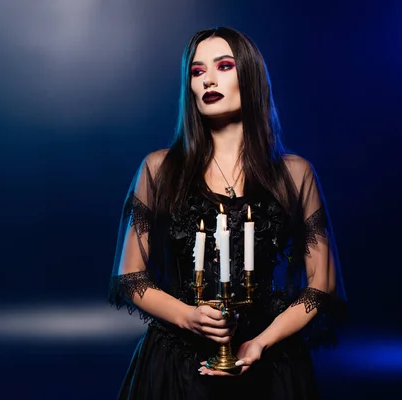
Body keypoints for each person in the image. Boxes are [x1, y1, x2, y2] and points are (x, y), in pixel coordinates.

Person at [108, 26, 347, 399]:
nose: (208, 80)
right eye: (197, 71)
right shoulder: (159, 169)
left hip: (268, 364)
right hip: (176, 366)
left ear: (249, 76)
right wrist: (187, 316)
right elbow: (130, 275)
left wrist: (261, 343)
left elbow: (322, 284)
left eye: (223, 66)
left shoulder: (295, 174)